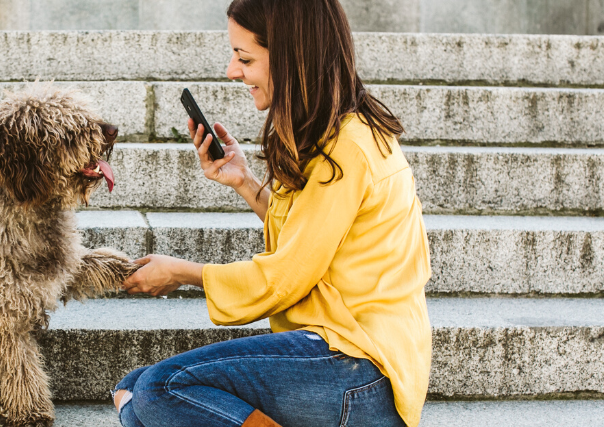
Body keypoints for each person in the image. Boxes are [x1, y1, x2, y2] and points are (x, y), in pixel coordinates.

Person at [114, 0, 431, 426]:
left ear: (291, 55)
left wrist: (182, 273)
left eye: (245, 58)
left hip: (361, 371)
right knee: (133, 390)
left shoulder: (349, 148)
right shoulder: (334, 132)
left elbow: (284, 277)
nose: (232, 71)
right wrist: (243, 180)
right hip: (344, 365)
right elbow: (311, 239)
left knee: (158, 392)